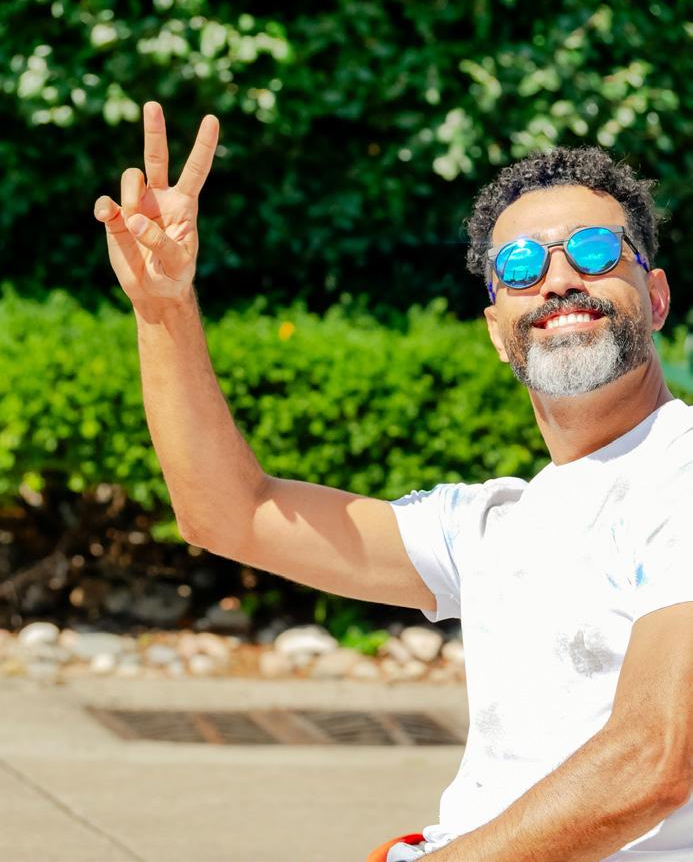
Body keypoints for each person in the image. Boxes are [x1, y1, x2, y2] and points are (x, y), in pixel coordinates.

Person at [94, 101, 692, 862]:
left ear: (657, 296)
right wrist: (162, 309)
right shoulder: (495, 525)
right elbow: (231, 515)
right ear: (496, 330)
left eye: (595, 250)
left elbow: (652, 759)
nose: (558, 279)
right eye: (518, 266)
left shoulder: (680, 474)